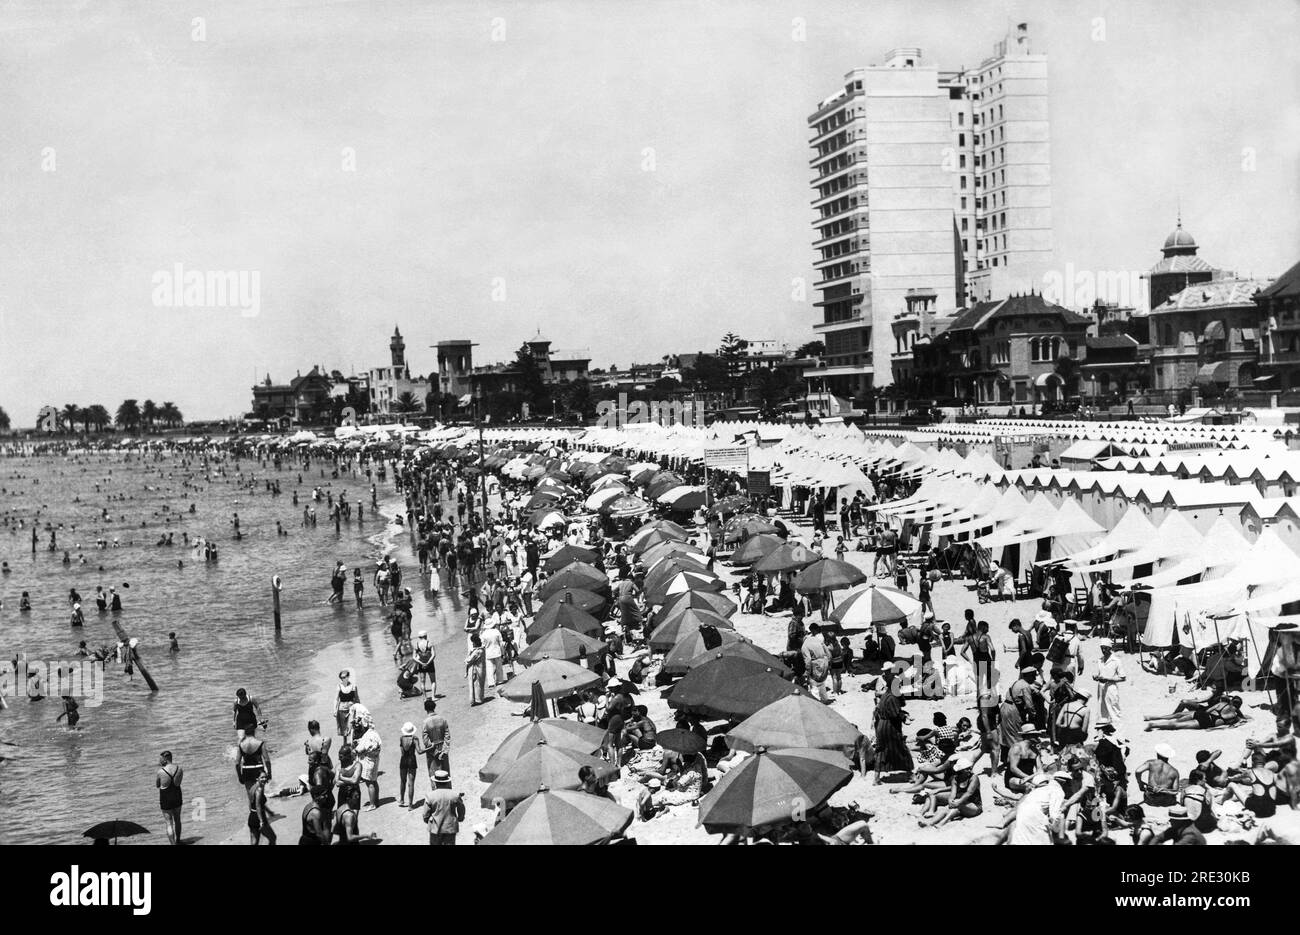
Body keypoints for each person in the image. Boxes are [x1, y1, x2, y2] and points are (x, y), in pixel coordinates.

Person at [422, 770, 464, 844]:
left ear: (435, 782)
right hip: (450, 827)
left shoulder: (430, 796)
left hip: (435, 828)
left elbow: (425, 814)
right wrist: (460, 818)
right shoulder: (455, 795)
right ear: (447, 782)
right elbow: (461, 808)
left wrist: (427, 821)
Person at [1092, 640, 1125, 725]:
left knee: (1114, 710)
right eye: (1102, 648)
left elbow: (1122, 677)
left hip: (1111, 687)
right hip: (1100, 687)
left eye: (1105, 648)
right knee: (1102, 711)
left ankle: (1119, 734)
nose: (1103, 650)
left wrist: (1108, 679)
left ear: (1110, 648)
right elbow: (1098, 673)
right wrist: (1096, 676)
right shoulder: (1100, 660)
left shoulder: (1116, 660)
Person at [157, 751, 183, 845]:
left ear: (165, 759)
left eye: (161, 759)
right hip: (177, 795)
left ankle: (173, 844)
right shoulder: (179, 769)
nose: (160, 760)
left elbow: (157, 785)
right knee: (177, 820)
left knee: (169, 823)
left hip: (165, 798)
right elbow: (178, 782)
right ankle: (178, 841)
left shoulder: (160, 771)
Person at [420, 698, 451, 776]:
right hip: (443, 747)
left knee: (434, 774)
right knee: (445, 774)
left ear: (425, 709)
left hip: (432, 751)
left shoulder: (425, 722)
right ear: (434, 707)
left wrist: (436, 752)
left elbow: (426, 741)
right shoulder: (443, 719)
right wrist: (444, 751)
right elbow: (447, 737)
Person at [801, 623, 831, 703]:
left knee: (813, 684)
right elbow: (827, 652)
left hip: (816, 664)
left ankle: (816, 702)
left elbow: (808, 661)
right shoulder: (817, 640)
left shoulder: (804, 646)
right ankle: (825, 699)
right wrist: (828, 661)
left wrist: (807, 672)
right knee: (821, 683)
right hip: (824, 662)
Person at [398, 722, 420, 808]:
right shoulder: (415, 739)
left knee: (403, 781)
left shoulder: (401, 738)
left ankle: (402, 800)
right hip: (412, 760)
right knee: (411, 783)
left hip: (403, 760)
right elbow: (419, 751)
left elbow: (402, 752)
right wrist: (430, 748)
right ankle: (410, 805)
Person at [335, 670, 359, 740]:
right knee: (344, 730)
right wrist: (334, 710)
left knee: (353, 727)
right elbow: (336, 699)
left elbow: (357, 698)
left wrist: (360, 708)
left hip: (351, 709)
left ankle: (352, 743)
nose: (343, 679)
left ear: (348, 677)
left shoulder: (353, 686)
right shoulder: (339, 686)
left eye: (345, 677)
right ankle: (345, 744)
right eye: (341, 678)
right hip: (341, 709)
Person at [413, 630, 437, 696]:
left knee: (422, 682)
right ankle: (433, 696)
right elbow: (433, 655)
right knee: (433, 681)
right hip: (430, 664)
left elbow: (414, 657)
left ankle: (425, 698)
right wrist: (428, 663)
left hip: (421, 665)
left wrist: (421, 663)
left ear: (419, 637)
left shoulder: (416, 645)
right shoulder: (429, 643)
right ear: (426, 636)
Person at [466, 633, 487, 706]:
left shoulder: (477, 651)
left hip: (476, 670)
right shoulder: (482, 649)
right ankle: (480, 698)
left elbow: (468, 660)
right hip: (482, 668)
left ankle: (476, 700)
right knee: (480, 684)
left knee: (475, 684)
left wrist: (468, 654)